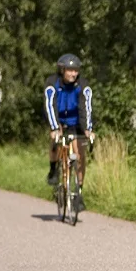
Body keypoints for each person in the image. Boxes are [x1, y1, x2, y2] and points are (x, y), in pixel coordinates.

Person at [44, 54, 94, 187]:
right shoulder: (52, 82)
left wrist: (88, 129)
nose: (73, 74)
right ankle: (53, 169)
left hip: (77, 121)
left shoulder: (82, 85)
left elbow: (86, 107)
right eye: (70, 70)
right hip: (58, 119)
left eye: (76, 70)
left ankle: (79, 190)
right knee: (54, 139)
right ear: (62, 70)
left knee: (80, 154)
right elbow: (50, 105)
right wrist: (55, 127)